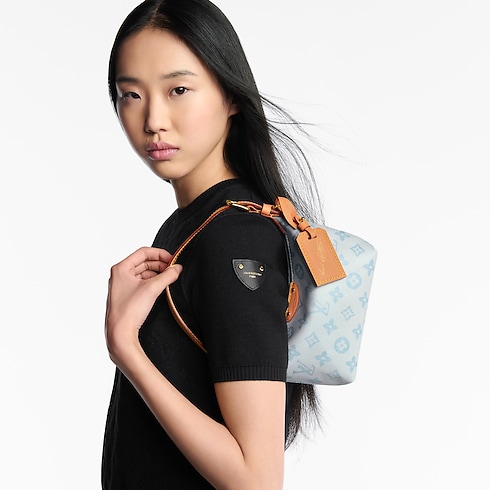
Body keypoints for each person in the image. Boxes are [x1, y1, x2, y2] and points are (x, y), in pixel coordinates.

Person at [102, 0, 322, 488]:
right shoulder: (194, 224)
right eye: (130, 94)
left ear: (232, 95)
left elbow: (256, 479)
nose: (153, 119)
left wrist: (127, 349)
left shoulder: (235, 237)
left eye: (178, 90)